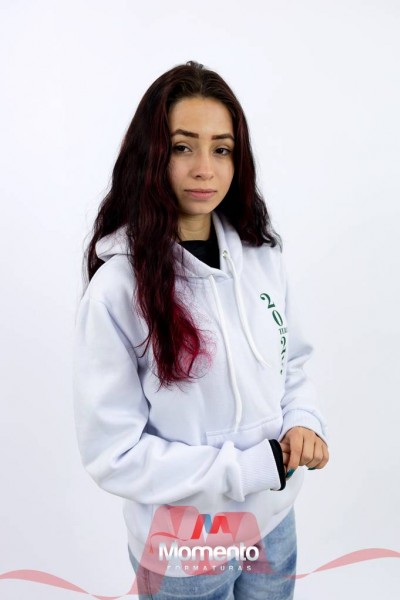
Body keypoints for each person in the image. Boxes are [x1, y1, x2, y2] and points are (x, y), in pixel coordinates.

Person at [72, 60, 329, 600]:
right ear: (151, 155)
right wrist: (248, 468)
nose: (204, 170)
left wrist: (303, 422)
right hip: (184, 549)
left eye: (222, 149)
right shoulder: (118, 289)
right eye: (183, 147)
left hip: (272, 524)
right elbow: (113, 454)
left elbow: (292, 365)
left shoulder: (262, 257)